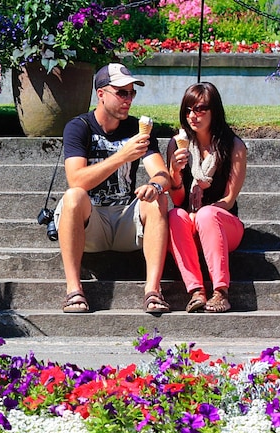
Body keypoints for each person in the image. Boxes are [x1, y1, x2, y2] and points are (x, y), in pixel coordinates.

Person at [55, 63, 172, 313]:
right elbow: (76, 180)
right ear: (101, 94)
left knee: (158, 198)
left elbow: (163, 175)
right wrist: (122, 156)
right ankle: (74, 290)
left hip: (125, 222)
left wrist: (154, 185)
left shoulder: (138, 129)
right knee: (73, 196)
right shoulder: (79, 127)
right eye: (121, 93)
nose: (128, 99)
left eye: (131, 93)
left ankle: (153, 290)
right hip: (92, 223)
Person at [165, 82, 247, 313]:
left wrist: (200, 213)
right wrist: (175, 173)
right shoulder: (177, 144)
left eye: (200, 109)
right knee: (174, 215)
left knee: (208, 214)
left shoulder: (234, 146)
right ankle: (196, 291)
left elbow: (229, 199)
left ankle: (221, 292)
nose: (193, 116)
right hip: (190, 223)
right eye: (188, 110)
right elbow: (178, 198)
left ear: (214, 112)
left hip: (224, 225)